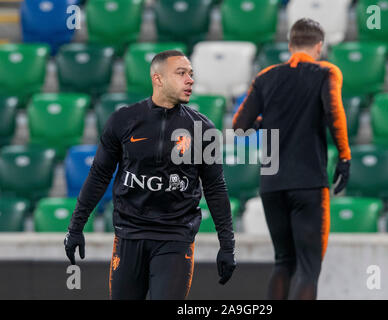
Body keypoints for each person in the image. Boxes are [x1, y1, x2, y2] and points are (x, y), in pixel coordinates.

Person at [64, 50, 236, 300]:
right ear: (158, 78)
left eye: (191, 74)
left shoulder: (202, 129)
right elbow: (99, 176)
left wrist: (227, 245)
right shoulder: (123, 121)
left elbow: (215, 188)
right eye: (181, 73)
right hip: (129, 235)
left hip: (175, 238)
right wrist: (76, 227)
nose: (190, 80)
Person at [232, 18, 351, 300]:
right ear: (319, 46)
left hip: (272, 183)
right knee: (309, 267)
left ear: (290, 45)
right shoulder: (326, 72)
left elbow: (239, 125)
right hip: (308, 180)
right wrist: (344, 157)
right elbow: (335, 113)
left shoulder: (265, 77)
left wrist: (265, 122)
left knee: (283, 260)